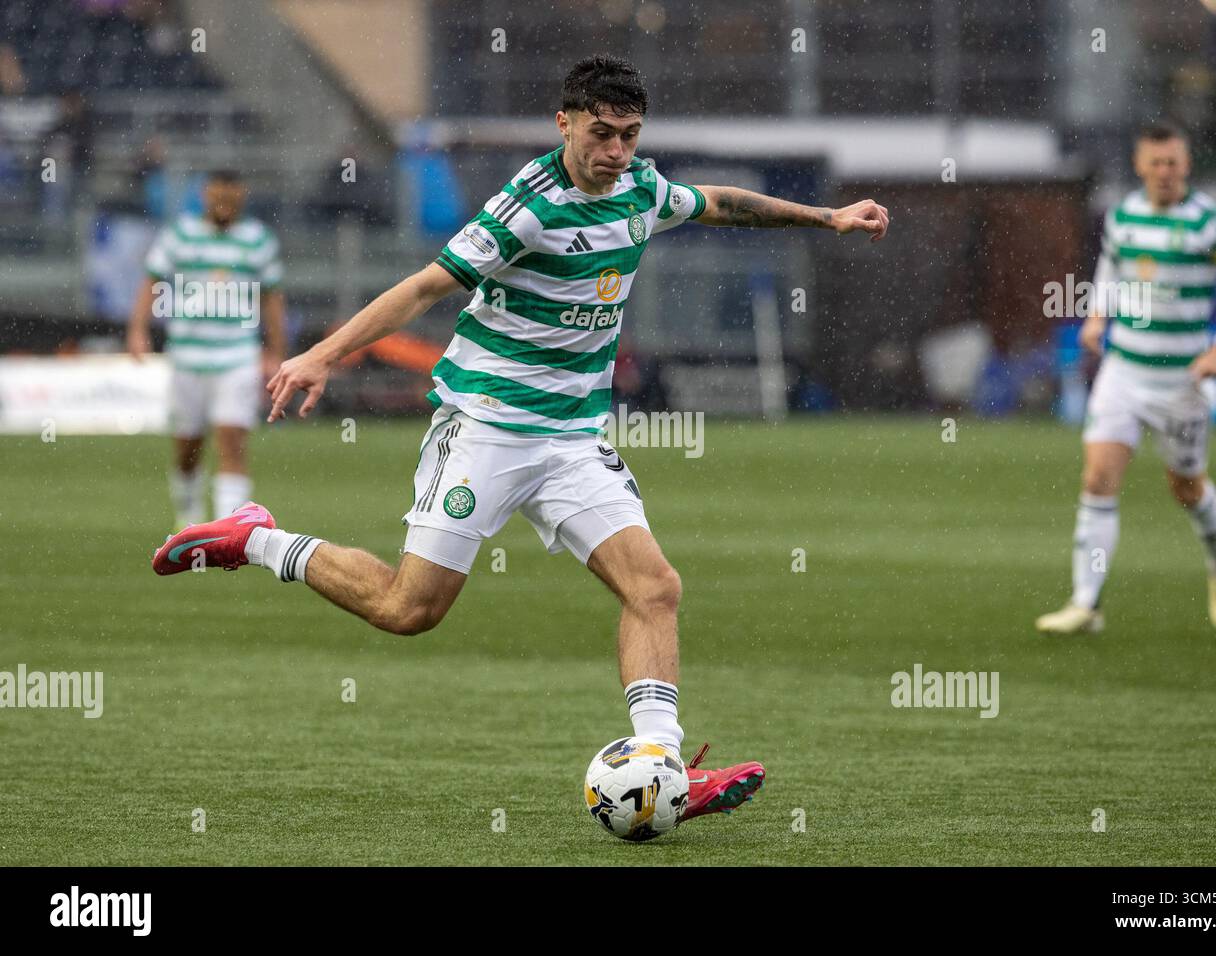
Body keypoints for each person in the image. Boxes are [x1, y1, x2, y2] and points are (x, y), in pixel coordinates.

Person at [152, 55, 889, 822]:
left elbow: (719, 204)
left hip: (572, 441)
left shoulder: (640, 187)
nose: (616, 152)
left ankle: (663, 767)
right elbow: (424, 288)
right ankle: (258, 539)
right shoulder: (524, 209)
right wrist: (321, 355)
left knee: (655, 588)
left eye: (630, 136)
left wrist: (826, 219)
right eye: (602, 134)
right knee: (410, 610)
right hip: (486, 430)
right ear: (564, 122)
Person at [1036, 122, 1216, 635]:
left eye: (1174, 162)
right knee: (1097, 478)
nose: (1165, 172)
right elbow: (1109, 270)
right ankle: (1085, 603)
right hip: (1123, 373)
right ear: (1141, 166)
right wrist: (1097, 315)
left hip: (1180, 386)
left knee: (1185, 487)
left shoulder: (1210, 222)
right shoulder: (1124, 216)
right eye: (1156, 163)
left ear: (1186, 165)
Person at [127, 169, 286, 526]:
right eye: (218, 197)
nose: (224, 204)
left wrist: (276, 351)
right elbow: (152, 280)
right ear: (205, 196)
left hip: (237, 355)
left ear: (242, 197)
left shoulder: (257, 240)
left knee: (232, 439)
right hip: (187, 356)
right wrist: (138, 329)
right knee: (188, 446)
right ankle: (189, 513)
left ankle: (231, 531)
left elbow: (272, 297)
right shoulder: (180, 235)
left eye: (230, 197)